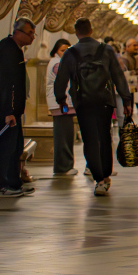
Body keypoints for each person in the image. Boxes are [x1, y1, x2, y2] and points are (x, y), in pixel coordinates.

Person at [54, 18, 131, 197]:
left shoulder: (70, 53)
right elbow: (119, 76)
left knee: (89, 140)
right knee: (104, 137)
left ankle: (99, 179)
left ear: (76, 32)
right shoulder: (106, 50)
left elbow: (61, 80)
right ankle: (106, 174)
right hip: (104, 101)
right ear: (92, 30)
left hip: (83, 102)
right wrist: (126, 100)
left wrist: (61, 100)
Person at [0, 18, 36, 198]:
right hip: (8, 111)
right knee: (6, 148)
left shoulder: (14, 49)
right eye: (30, 33)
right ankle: (0, 185)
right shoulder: (8, 50)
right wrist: (8, 112)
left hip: (14, 111)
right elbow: (5, 84)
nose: (33, 37)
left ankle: (14, 183)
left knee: (15, 147)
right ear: (19, 32)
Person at [45, 38, 79, 178]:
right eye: (62, 51)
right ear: (56, 51)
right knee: (63, 135)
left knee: (67, 134)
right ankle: (62, 166)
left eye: (67, 50)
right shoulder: (57, 63)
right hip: (60, 104)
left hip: (64, 104)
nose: (65, 53)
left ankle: (66, 164)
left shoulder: (60, 62)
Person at [125, 39, 138, 124]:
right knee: (130, 103)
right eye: (134, 46)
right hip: (129, 86)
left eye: (137, 45)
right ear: (127, 47)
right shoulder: (125, 58)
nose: (136, 47)